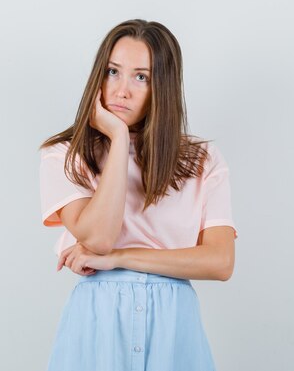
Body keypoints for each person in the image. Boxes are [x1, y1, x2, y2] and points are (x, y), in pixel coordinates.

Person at [38, 19, 237, 371]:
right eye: (113, 72)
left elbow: (220, 262)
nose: (121, 91)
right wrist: (117, 138)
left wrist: (121, 258)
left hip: (174, 328)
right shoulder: (65, 155)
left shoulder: (202, 161)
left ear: (163, 87)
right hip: (97, 326)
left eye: (140, 77)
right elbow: (98, 237)